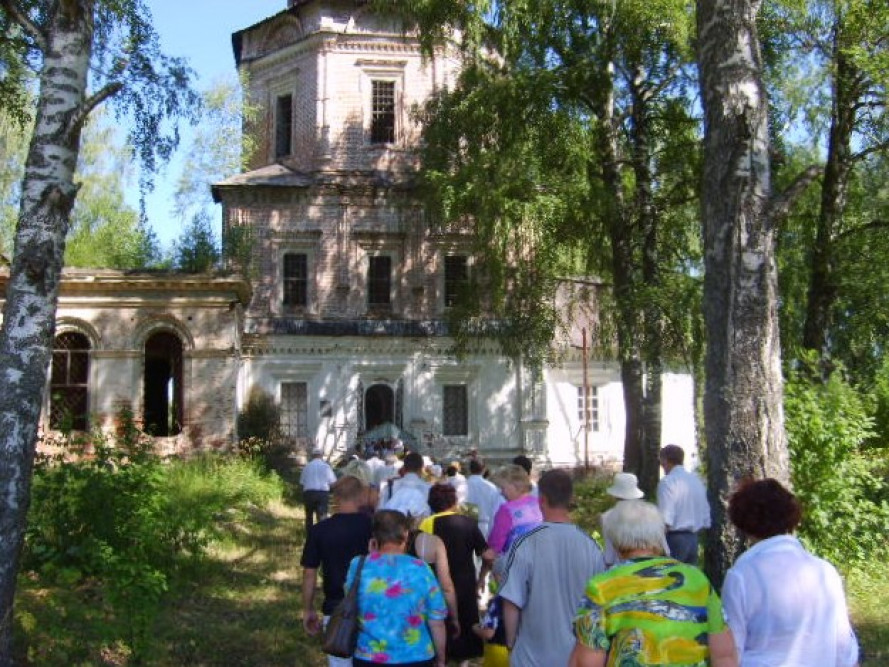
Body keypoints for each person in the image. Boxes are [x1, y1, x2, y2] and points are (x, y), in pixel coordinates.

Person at [569, 500, 737, 667]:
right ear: (659, 536)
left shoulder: (602, 587)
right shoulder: (697, 580)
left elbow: (586, 662)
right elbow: (724, 655)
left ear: (615, 541)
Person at [722, 478, 859, 667]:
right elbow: (844, 649)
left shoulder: (741, 576)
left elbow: (730, 652)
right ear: (791, 516)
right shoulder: (826, 572)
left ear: (742, 521)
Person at [499, 469, 606, 667]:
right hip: (576, 655)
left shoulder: (525, 544)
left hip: (531, 656)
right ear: (570, 498)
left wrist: (511, 644)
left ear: (541, 499)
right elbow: (599, 606)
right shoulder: (590, 546)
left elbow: (511, 602)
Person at [345, 509, 448, 667]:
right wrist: (441, 659)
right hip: (417, 656)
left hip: (369, 656)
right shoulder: (421, 568)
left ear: (374, 535)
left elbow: (351, 601)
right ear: (406, 534)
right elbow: (437, 620)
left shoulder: (358, 565)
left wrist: (371, 556)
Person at [300, 476, 374, 667]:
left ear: (336, 498)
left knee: (340, 661)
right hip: (373, 605)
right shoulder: (374, 527)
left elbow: (309, 573)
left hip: (335, 607)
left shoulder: (319, 530)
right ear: (360, 496)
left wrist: (308, 609)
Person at [421, 483, 496, 667]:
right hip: (465, 583)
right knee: (467, 627)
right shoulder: (468, 523)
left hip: (436, 584)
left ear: (431, 503)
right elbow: (488, 556)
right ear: (454, 502)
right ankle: (464, 661)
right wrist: (481, 579)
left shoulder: (426, 524)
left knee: (440, 624)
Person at [656, 444, 710, 565]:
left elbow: (665, 519)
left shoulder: (668, 482)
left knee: (670, 579)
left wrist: (657, 544)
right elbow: (706, 515)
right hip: (693, 539)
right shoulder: (696, 481)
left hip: (674, 538)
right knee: (689, 580)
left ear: (665, 460)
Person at [600, 472, 654, 568]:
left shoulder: (608, 517)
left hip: (622, 570)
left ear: (615, 496)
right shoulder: (651, 513)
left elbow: (609, 557)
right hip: (650, 567)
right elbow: (664, 549)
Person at [487, 464, 542, 555]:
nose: (502, 492)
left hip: (515, 563)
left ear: (513, 486)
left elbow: (495, 545)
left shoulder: (506, 510)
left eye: (503, 488)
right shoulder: (539, 504)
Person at [381, 450, 432, 516]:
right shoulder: (429, 488)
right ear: (421, 468)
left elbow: (381, 510)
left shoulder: (390, 486)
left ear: (404, 468)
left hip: (394, 524)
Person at [466, 458, 504, 539]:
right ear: (484, 469)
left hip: (467, 525)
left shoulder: (463, 486)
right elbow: (496, 510)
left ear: (469, 469)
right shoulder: (491, 487)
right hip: (485, 526)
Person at [300, 447, 337, 528]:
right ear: (321, 455)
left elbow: (302, 483)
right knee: (322, 517)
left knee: (309, 516)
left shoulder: (307, 467)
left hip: (308, 493)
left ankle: (309, 536)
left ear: (312, 455)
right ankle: (321, 536)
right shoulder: (326, 467)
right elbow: (333, 483)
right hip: (322, 493)